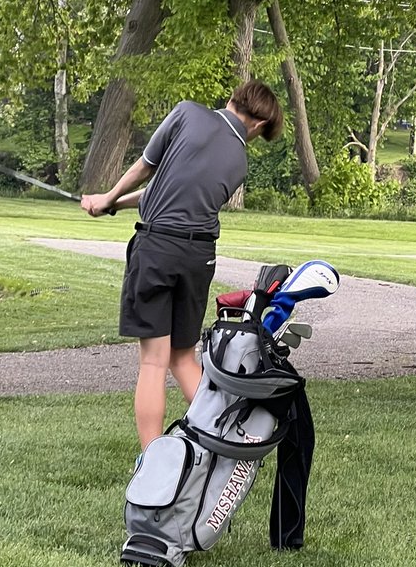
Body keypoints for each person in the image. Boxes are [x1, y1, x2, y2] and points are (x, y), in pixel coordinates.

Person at [81, 80, 284, 450]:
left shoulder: (187, 112)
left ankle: (152, 460)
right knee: (183, 359)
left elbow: (146, 169)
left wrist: (106, 197)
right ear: (258, 125)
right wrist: (114, 203)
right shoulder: (239, 162)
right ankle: (225, 441)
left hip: (156, 248)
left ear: (231, 99)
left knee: (154, 364)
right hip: (198, 257)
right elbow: (170, 189)